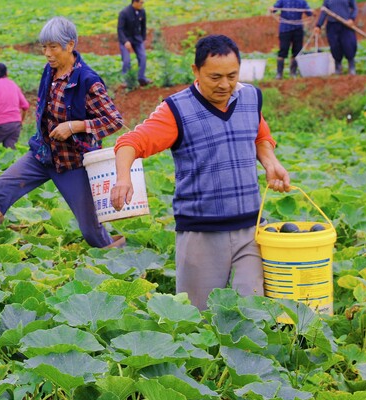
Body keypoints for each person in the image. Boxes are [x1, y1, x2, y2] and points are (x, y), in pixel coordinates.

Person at [110, 35, 291, 311]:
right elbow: (129, 143)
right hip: (201, 232)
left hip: (251, 229)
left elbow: (259, 135)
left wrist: (270, 162)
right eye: (215, 77)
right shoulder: (176, 110)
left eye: (232, 75)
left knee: (254, 313)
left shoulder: (250, 97)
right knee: (198, 317)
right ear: (195, 71)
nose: (225, 85)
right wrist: (124, 178)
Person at [0, 17, 127, 259]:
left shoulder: (88, 81)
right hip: (42, 155)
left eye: (53, 47)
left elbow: (114, 120)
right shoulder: (50, 71)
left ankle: (119, 255)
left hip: (71, 163)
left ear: (70, 45)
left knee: (91, 231)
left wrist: (75, 126)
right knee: (0, 188)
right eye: (44, 47)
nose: (47, 53)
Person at [313, 0, 358, 74]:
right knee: (335, 46)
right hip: (332, 26)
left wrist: (351, 19)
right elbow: (324, 12)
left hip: (345, 25)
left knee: (349, 45)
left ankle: (351, 66)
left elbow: (355, 8)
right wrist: (318, 25)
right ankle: (338, 66)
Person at [268, 0, 313, 79]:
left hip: (297, 29)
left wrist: (311, 12)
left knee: (296, 51)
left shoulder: (302, 2)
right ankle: (279, 74)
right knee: (283, 50)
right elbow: (275, 8)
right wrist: (272, 8)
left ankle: (293, 73)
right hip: (285, 29)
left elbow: (309, 13)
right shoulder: (283, 0)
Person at [117, 0, 151, 86]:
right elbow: (120, 29)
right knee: (127, 60)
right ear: (135, 2)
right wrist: (125, 41)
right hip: (126, 39)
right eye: (141, 2)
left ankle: (141, 78)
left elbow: (143, 26)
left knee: (143, 57)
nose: (142, 4)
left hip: (137, 39)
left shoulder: (142, 12)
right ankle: (126, 80)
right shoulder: (124, 13)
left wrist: (143, 38)